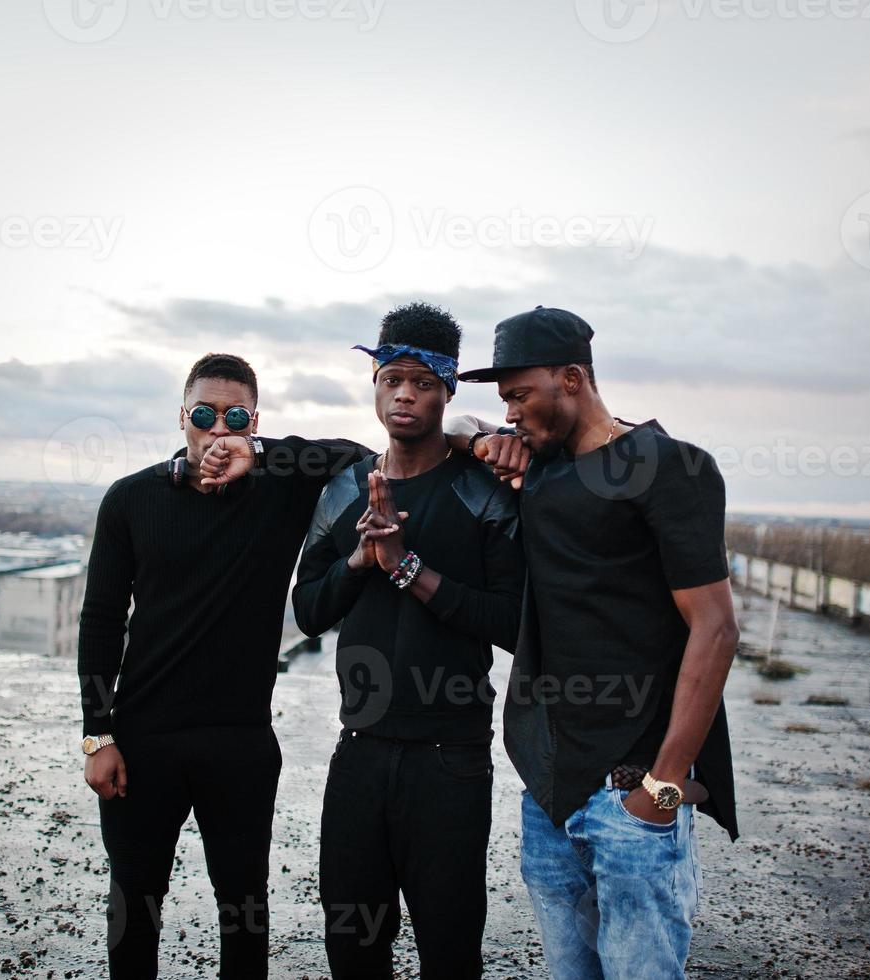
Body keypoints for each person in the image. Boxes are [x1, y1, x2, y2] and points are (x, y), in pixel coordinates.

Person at [446, 306, 740, 980]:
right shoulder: (540, 468)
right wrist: (486, 439)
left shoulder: (671, 468)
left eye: (521, 395)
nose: (512, 412)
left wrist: (662, 792)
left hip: (631, 797)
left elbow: (716, 627)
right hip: (548, 794)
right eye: (506, 401)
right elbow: (456, 427)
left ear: (572, 377)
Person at [77, 352, 371, 979]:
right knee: (135, 907)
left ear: (253, 421)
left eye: (234, 417)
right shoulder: (130, 499)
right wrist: (97, 735)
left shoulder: (280, 491)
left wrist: (259, 455)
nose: (217, 428)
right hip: (142, 737)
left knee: (244, 909)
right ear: (181, 417)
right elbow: (100, 622)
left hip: (239, 740)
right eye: (203, 415)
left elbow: (354, 454)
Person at [291, 302, 525, 979]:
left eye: (423, 383)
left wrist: (408, 569)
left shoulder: (483, 490)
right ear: (373, 384)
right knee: (352, 949)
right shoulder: (344, 489)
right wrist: (363, 560)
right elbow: (306, 610)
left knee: (449, 954)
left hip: (449, 758)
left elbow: (513, 623)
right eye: (391, 378)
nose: (404, 394)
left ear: (448, 390)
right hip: (357, 751)